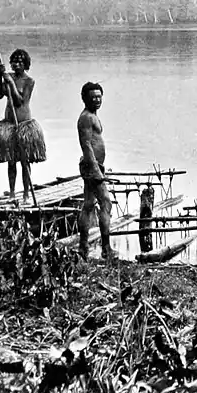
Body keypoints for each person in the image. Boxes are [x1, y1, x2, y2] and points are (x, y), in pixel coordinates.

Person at [0, 48, 46, 200]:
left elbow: (19, 101)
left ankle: (27, 193)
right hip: (9, 123)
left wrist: (11, 84)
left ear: (25, 64)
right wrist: (0, 76)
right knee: (11, 161)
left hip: (24, 123)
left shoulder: (29, 81)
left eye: (20, 62)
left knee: (24, 160)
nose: (16, 65)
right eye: (14, 62)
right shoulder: (8, 77)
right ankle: (13, 192)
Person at [77, 81, 113, 260]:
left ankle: (83, 247)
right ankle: (106, 248)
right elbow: (86, 145)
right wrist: (96, 171)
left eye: (99, 97)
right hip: (92, 167)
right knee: (106, 202)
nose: (97, 100)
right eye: (93, 97)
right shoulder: (86, 117)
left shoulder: (93, 115)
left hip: (94, 166)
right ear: (85, 98)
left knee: (89, 204)